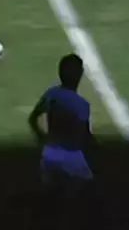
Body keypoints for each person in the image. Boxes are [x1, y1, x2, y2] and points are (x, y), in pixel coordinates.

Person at [28, 53, 94, 196]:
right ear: (80, 75)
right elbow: (86, 137)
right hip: (72, 158)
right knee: (84, 195)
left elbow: (33, 118)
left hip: (50, 154)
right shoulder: (82, 105)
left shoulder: (52, 94)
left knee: (50, 197)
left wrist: (41, 137)